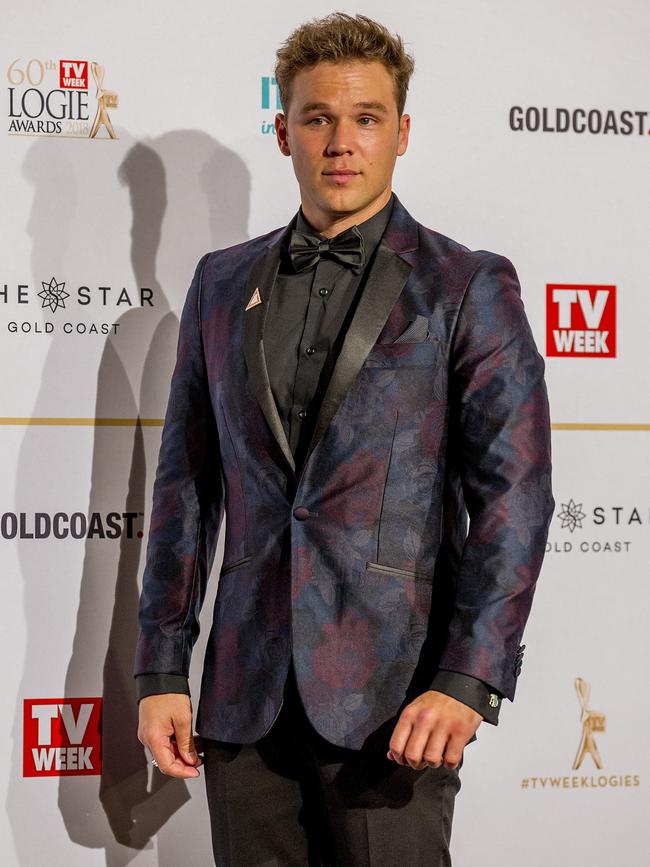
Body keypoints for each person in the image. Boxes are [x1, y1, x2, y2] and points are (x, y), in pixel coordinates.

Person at [134, 12, 554, 866]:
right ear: (282, 127)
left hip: (397, 703)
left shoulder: (466, 286)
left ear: (401, 132)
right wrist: (161, 669)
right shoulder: (220, 284)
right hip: (242, 701)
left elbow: (515, 495)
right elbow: (185, 487)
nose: (340, 140)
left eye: (365, 118)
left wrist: (467, 678)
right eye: (318, 117)